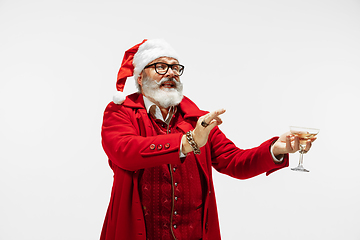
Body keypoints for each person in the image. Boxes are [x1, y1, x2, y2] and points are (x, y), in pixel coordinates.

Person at [100, 39, 315, 240]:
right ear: (140, 77)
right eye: (160, 67)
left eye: (176, 68)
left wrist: (275, 150)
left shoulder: (197, 120)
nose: (171, 73)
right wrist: (187, 142)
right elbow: (124, 151)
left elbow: (234, 162)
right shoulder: (120, 112)